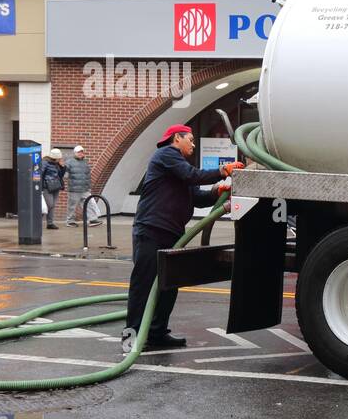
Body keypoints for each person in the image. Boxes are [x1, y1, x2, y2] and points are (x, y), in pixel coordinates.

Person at [124, 124, 243, 351]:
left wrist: (216, 192)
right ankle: (131, 338)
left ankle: (157, 334)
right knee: (144, 287)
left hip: (171, 233)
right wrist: (222, 171)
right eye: (190, 139)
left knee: (169, 286)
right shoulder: (166, 155)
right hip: (151, 230)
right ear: (176, 138)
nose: (193, 144)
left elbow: (196, 197)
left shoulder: (178, 167)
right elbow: (192, 176)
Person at [64, 145, 99, 226]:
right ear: (75, 153)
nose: (80, 153)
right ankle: (70, 221)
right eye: (79, 152)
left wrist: (89, 187)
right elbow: (64, 173)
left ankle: (92, 219)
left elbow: (88, 176)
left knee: (89, 204)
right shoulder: (69, 162)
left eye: (82, 152)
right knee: (72, 206)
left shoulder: (85, 162)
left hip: (85, 189)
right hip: (74, 189)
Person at [39, 149, 66, 231]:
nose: (60, 159)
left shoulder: (57, 164)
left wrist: (62, 167)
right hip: (47, 187)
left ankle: (50, 223)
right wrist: (40, 188)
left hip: (56, 186)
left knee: (52, 205)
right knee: (49, 205)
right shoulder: (44, 163)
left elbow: (60, 175)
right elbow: (41, 175)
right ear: (55, 157)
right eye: (59, 157)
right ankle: (36, 220)